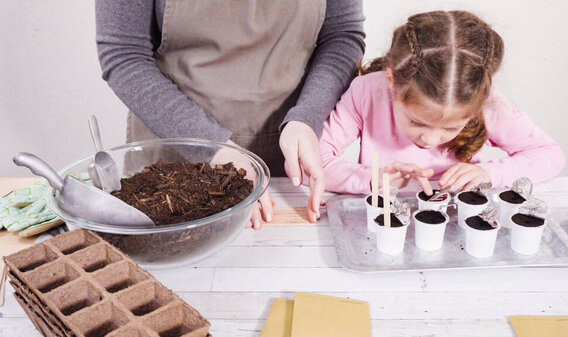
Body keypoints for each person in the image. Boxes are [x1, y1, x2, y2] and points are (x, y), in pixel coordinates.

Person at [95, 0, 366, 228]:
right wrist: (211, 148)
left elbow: (342, 36)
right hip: (176, 165)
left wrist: (307, 116)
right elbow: (123, 54)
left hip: (290, 161)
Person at [318, 10, 565, 196]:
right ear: (392, 80)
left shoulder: (485, 100)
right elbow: (313, 160)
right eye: (417, 121)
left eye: (449, 128)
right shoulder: (368, 91)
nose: (430, 140)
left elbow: (549, 155)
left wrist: (490, 173)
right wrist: (371, 180)